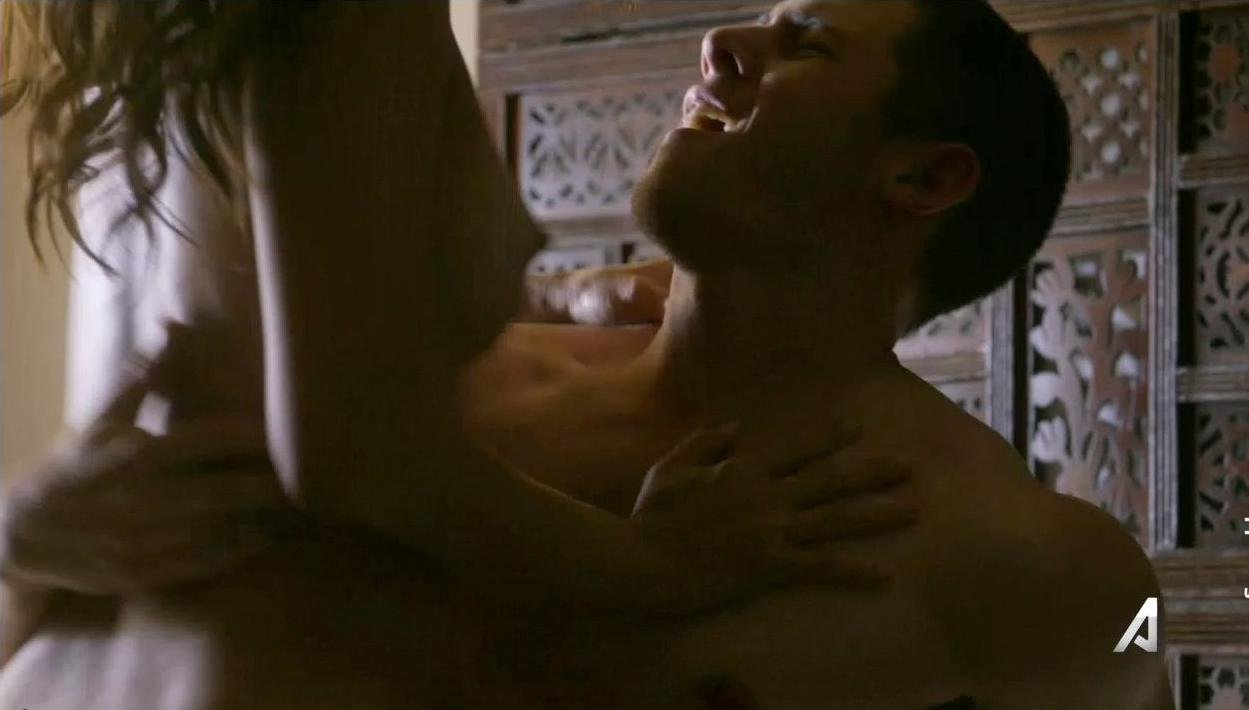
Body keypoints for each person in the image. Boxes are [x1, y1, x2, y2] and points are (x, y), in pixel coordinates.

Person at [2, 0, 1178, 707]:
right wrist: (12, 542)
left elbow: (1189, 659)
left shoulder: (1024, 560)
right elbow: (108, 638)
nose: (716, 47)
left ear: (920, 176)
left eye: (804, 44)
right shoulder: (413, 378)